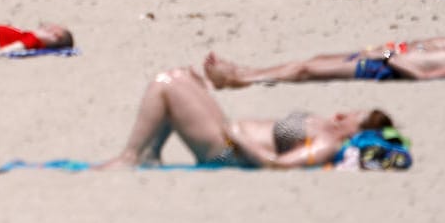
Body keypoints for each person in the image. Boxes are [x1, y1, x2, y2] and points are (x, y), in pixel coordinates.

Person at [99, 66, 398, 169]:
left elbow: (277, 166)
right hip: (229, 135)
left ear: (357, 132)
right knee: (181, 76)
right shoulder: (326, 130)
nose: (342, 114)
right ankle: (147, 153)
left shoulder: (328, 143)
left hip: (227, 151)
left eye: (352, 117)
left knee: (166, 83)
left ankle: (132, 157)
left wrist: (241, 141)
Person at [205, 33, 445, 87]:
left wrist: (390, 56)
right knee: (317, 58)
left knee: (308, 69)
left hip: (383, 65)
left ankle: (239, 79)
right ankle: (247, 71)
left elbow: (426, 77)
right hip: (387, 55)